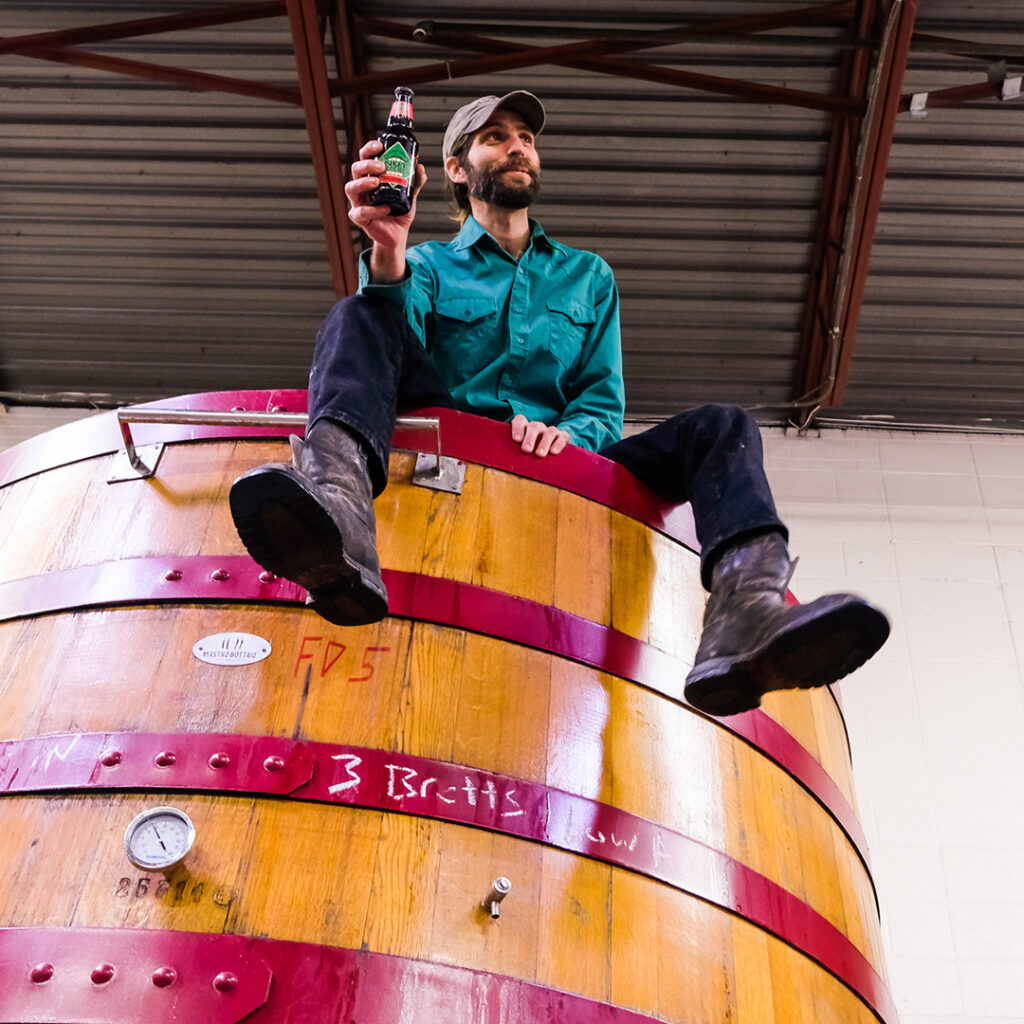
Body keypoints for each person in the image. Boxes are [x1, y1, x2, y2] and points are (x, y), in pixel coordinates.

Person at [229, 90, 889, 717]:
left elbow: (602, 399)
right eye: (495, 139)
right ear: (456, 168)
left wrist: (570, 436)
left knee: (720, 427)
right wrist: (388, 248)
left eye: (526, 139)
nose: (518, 148)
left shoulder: (589, 277)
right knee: (358, 313)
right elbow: (389, 344)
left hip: (565, 459)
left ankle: (746, 612)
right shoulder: (427, 265)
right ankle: (341, 508)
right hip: (451, 434)